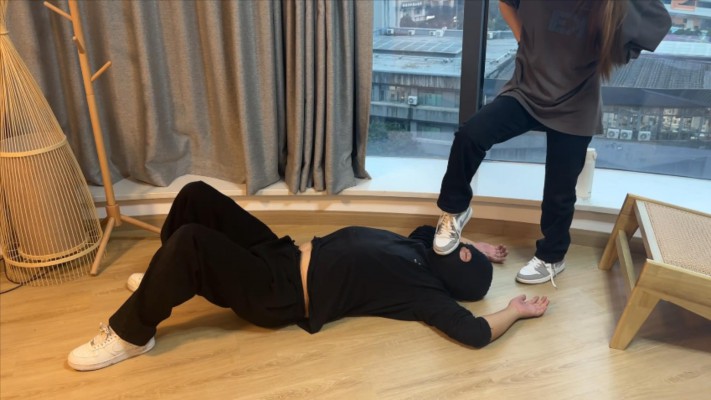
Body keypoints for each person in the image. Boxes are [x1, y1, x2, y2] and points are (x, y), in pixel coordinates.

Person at [68, 181, 548, 371]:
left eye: (460, 254)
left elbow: (475, 332)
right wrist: (480, 249)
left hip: (280, 294)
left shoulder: (423, 292)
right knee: (196, 195)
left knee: (193, 240)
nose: (454, 244)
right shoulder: (421, 247)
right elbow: (436, 232)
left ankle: (132, 334)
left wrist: (514, 311)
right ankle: (163, 280)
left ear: (453, 278)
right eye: (461, 247)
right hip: (280, 253)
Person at [433, 0, 671, 286]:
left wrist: (613, 47)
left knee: (560, 191)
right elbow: (506, 3)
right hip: (526, 91)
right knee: (470, 135)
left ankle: (552, 256)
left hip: (576, 104)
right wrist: (525, 40)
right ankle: (455, 209)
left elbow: (658, 21)